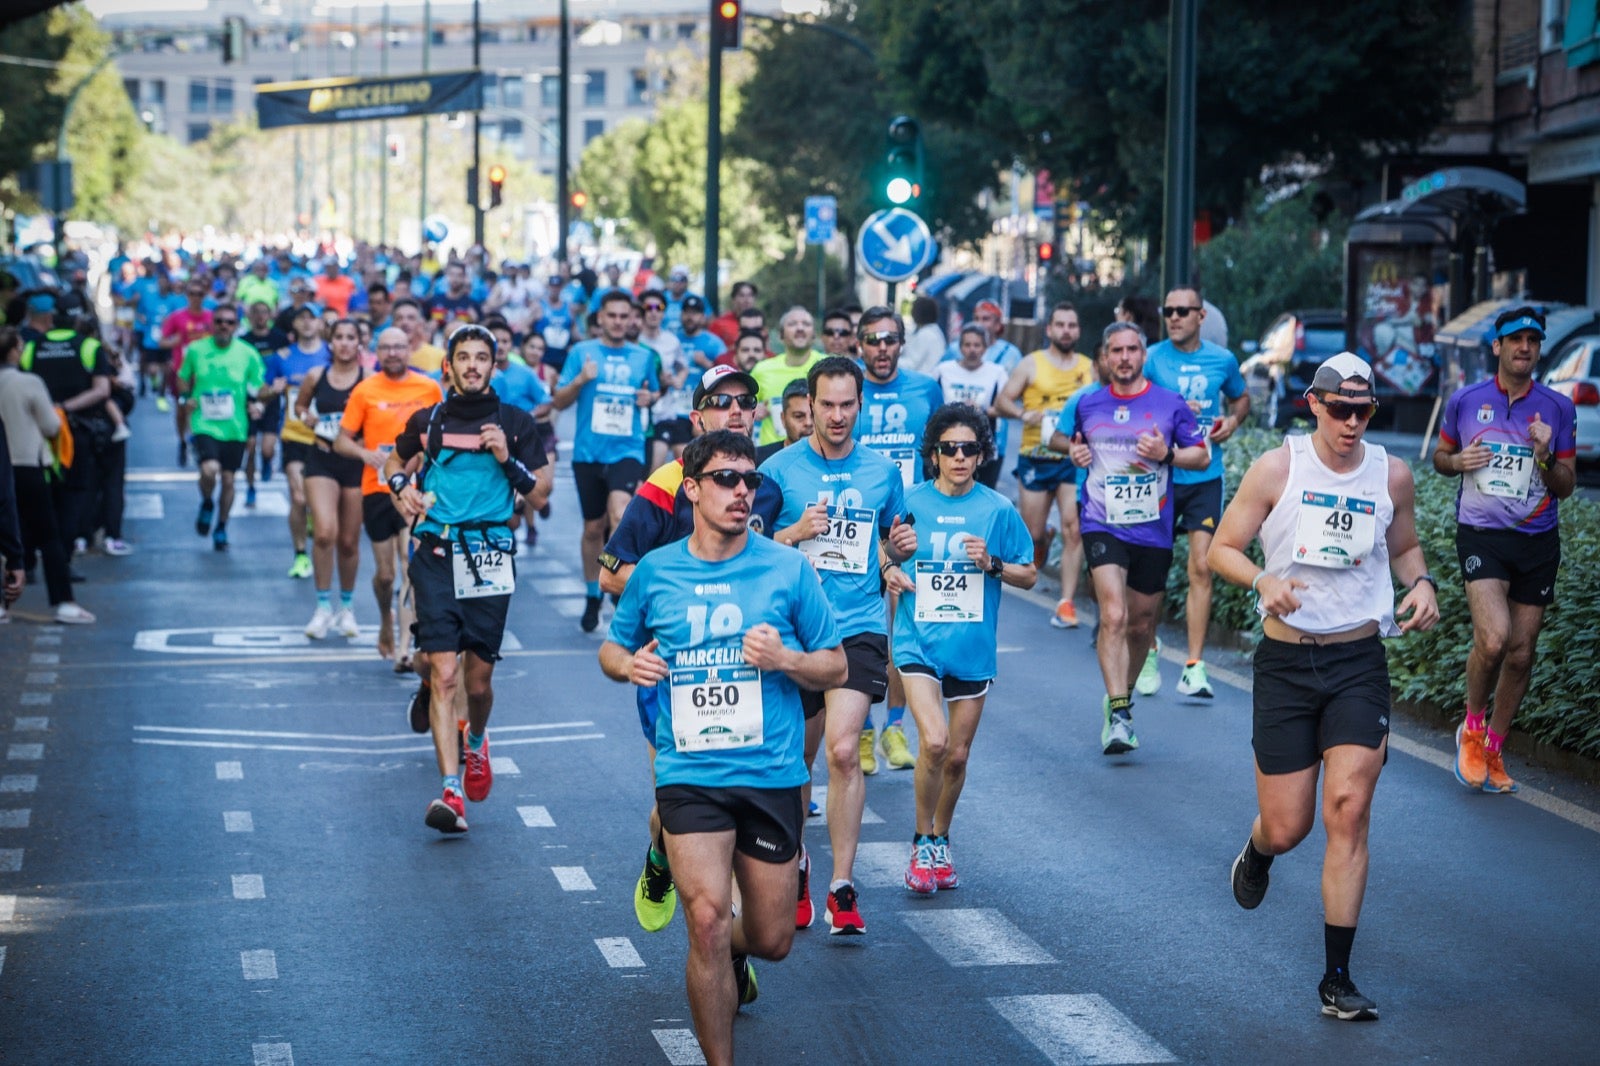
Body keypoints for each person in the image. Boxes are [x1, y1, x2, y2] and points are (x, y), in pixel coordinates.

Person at [600, 430, 844, 1065]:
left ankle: (737, 949)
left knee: (771, 939)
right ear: (692, 489)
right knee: (705, 921)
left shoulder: (788, 567)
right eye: (726, 479)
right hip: (690, 771)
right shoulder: (657, 570)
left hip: (769, 774)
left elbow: (837, 666)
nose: (742, 491)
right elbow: (612, 647)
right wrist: (630, 667)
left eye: (750, 480)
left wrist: (786, 658)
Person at [1210, 351, 1439, 1022]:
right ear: (1313, 403)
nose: (1352, 423)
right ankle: (1258, 850)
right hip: (1285, 665)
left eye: (1364, 412)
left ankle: (1337, 979)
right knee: (1290, 826)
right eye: (1341, 409)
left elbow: (1404, 547)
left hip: (1357, 661)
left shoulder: (1390, 474)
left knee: (1348, 807)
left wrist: (1421, 582)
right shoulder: (1278, 467)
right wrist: (1263, 581)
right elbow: (1223, 547)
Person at [600, 365, 786, 934]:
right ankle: (663, 860)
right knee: (678, 803)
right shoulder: (666, 482)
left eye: (745, 401)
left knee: (729, 807)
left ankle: (730, 947)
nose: (735, 409)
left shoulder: (767, 486)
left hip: (745, 675)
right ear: (696, 416)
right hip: (672, 674)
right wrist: (680, 595)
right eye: (720, 401)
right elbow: (611, 572)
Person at [761, 356, 917, 935]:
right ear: (810, 407)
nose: (835, 415)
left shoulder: (882, 472)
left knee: (844, 751)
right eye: (825, 405)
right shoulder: (777, 470)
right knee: (795, 762)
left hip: (858, 625)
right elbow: (749, 545)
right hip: (797, 632)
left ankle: (842, 886)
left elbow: (894, 540)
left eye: (847, 404)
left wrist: (900, 546)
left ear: (860, 405)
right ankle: (799, 862)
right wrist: (793, 533)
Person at [386, 324, 551, 834]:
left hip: (490, 557)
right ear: (448, 367)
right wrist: (401, 489)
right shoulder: (429, 420)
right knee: (445, 673)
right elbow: (395, 460)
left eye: (483, 357)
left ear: (494, 366)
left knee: (478, 683)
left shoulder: (516, 422)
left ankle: (477, 738)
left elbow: (541, 496)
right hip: (435, 552)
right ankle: (450, 791)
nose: (473, 365)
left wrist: (508, 459)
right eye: (464, 357)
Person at [884, 404, 1035, 892]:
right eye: (949, 448)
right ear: (933, 456)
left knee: (958, 756)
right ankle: (919, 839)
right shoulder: (908, 502)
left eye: (969, 449)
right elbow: (876, 555)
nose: (959, 457)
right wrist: (891, 566)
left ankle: (940, 839)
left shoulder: (997, 509)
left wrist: (992, 564)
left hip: (971, 648)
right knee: (934, 742)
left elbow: (1029, 573)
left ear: (981, 455)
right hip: (917, 642)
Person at [1431, 306, 1576, 794]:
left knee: (1520, 653)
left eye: (1533, 340)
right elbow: (1439, 457)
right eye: (1515, 339)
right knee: (1493, 639)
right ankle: (1471, 729)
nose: (1525, 347)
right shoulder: (1466, 401)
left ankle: (1494, 747)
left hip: (1537, 540)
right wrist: (1457, 461)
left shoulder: (1558, 408)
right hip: (1481, 534)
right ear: (1496, 346)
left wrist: (1546, 455)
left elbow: (1566, 485)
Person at [1055, 321, 1209, 754]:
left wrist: (1169, 454)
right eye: (1116, 350)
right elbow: (1061, 437)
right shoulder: (1089, 403)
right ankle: (1120, 712)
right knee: (1115, 614)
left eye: (1132, 349)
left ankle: (1118, 693)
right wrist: (1073, 451)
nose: (1124, 357)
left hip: (1153, 528)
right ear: (1105, 358)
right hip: (1102, 522)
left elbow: (1201, 456)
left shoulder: (1170, 404)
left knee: (1142, 624)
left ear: (1144, 355)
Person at [1141, 285, 1250, 700]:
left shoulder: (1222, 360)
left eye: (1184, 311)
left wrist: (1233, 422)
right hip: (1161, 476)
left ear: (1201, 316)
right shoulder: (1151, 358)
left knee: (1201, 567)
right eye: (1168, 310)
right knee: (1152, 570)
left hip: (1206, 476)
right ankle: (1149, 651)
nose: (1175, 317)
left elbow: (1242, 399)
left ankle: (1194, 666)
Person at [854, 306, 944, 773]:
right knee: (857, 629)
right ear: (859, 344)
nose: (881, 348)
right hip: (856, 525)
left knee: (902, 628)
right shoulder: (848, 391)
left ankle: (892, 726)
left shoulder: (926, 389)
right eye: (872, 339)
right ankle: (863, 728)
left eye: (890, 339)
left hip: (909, 524)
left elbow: (943, 451)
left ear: (902, 343)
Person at [336, 327, 444, 676]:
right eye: (387, 348)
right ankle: (386, 619)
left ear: (410, 349)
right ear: (377, 353)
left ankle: (403, 646)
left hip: (416, 492)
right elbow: (341, 441)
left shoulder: (428, 388)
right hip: (377, 491)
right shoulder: (365, 390)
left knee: (409, 565)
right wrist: (366, 454)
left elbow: (442, 436)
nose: (394, 353)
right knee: (385, 575)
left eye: (400, 346)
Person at [552, 289, 661, 632]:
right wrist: (581, 380)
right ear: (599, 318)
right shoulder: (581, 353)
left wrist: (649, 397)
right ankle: (591, 593)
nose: (617, 322)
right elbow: (558, 401)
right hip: (587, 453)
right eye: (611, 315)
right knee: (592, 528)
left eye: (623, 316)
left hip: (626, 450)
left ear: (632, 319)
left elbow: (653, 391)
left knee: (620, 515)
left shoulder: (643, 356)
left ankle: (616, 582)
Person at [996, 303, 1097, 628]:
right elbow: (1002, 400)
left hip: (1072, 457)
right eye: (1060, 325)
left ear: (1077, 331)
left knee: (1075, 529)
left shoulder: (1088, 367)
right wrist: (1024, 414)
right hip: (1036, 457)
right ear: (1049, 330)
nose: (1066, 330)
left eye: (1072, 325)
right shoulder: (1031, 364)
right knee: (1033, 533)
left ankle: (1066, 602)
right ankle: (1043, 538)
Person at [0, 326, 94, 622]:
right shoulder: (28, 382)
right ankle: (64, 601)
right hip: (28, 465)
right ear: (15, 349)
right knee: (48, 535)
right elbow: (52, 425)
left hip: (5, 465)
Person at [295, 320, 369, 640]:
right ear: (330, 343)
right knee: (325, 532)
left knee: (349, 541)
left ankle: (347, 607)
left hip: (355, 463)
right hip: (322, 458)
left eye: (350, 337)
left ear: (360, 343)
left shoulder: (369, 381)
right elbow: (298, 405)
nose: (344, 343)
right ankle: (323, 606)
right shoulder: (316, 376)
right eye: (338, 337)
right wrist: (306, 417)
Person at [177, 305, 267, 552]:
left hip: (235, 426)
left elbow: (258, 386)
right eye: (219, 321)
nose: (224, 326)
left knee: (228, 481)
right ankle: (207, 501)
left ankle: (221, 526)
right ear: (212, 324)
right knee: (210, 469)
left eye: (229, 322)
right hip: (204, 423)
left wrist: (259, 404)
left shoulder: (247, 354)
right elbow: (183, 376)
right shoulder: (196, 350)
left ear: (236, 326)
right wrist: (185, 399)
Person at [265, 307, 331, 579]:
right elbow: (263, 391)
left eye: (311, 317)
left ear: (319, 322)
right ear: (293, 324)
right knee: (299, 496)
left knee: (321, 502)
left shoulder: (332, 353)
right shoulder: (281, 358)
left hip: (326, 436)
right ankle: (301, 554)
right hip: (294, 435)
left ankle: (318, 533)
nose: (306, 322)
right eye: (301, 318)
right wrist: (271, 391)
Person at [934, 324, 1010, 488]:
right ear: (960, 347)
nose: (972, 350)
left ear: (985, 348)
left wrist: (981, 411)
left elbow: (1005, 408)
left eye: (977, 345)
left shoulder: (997, 373)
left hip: (984, 444)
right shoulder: (943, 370)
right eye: (967, 345)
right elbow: (932, 404)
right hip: (948, 444)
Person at [239, 300, 290, 506]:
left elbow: (286, 365)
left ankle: (267, 461)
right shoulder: (243, 341)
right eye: (256, 312)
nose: (260, 316)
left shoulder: (279, 339)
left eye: (264, 312)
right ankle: (251, 486)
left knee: (267, 448)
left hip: (272, 399)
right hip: (249, 400)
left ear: (270, 316)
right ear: (250, 316)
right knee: (249, 448)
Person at [751, 307, 825, 447]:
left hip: (819, 451)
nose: (800, 328)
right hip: (772, 453)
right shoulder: (762, 369)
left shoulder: (827, 367)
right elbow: (744, 407)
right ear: (780, 335)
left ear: (814, 334)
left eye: (806, 324)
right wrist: (753, 410)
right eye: (792, 324)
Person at [756, 378, 812, 465]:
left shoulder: (837, 459)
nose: (808, 423)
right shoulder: (760, 460)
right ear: (783, 419)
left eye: (814, 416)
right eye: (799, 416)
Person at [678, 295, 728, 370]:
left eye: (694, 313)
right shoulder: (673, 339)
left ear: (703, 317)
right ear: (681, 315)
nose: (690, 317)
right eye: (687, 312)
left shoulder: (715, 342)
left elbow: (726, 372)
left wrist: (706, 363)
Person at [901, 296, 946, 377]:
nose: (911, 312)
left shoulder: (926, 334)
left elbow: (911, 363)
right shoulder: (934, 331)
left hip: (922, 380)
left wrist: (891, 361)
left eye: (913, 309)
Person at [707, 281, 757, 349]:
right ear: (733, 299)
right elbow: (710, 350)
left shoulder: (759, 323)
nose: (747, 300)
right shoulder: (720, 324)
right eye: (742, 295)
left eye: (750, 295)